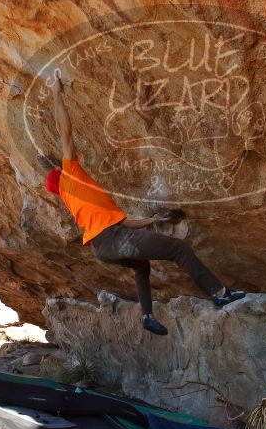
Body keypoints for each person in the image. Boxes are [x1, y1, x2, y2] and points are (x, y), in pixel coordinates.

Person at [42, 74, 245, 336]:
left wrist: (153, 221)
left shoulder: (76, 199)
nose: (63, 163)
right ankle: (219, 293)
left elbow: (124, 222)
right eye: (60, 167)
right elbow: (64, 132)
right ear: (60, 175)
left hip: (104, 246)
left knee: (141, 267)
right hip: (113, 239)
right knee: (178, 249)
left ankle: (147, 316)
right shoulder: (70, 176)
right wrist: (56, 93)